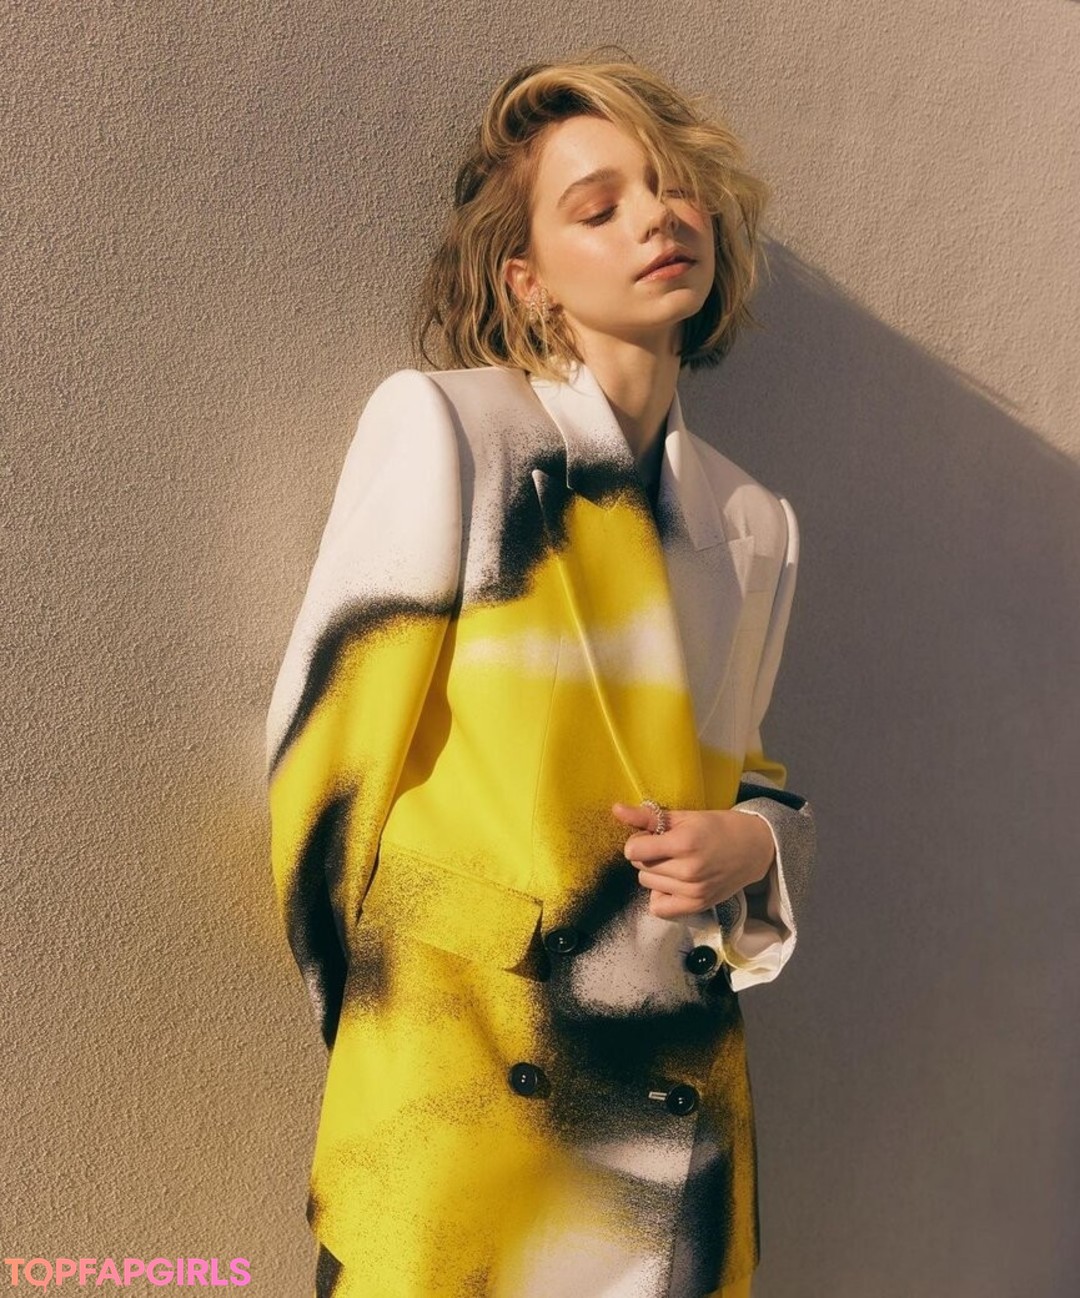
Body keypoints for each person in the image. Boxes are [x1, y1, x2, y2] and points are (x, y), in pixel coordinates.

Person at [265, 47, 815, 1298]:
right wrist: (380, 1030)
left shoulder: (754, 522)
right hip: (462, 1083)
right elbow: (324, 768)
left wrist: (754, 844)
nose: (658, 219)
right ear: (528, 278)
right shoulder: (453, 430)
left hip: (670, 1103)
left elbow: (753, 776)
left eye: (674, 188)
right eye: (599, 205)